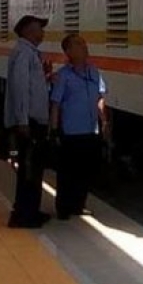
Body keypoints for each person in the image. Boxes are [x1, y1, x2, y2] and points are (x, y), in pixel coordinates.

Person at [49, 34, 108, 220]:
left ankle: (79, 205)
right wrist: (54, 130)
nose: (84, 46)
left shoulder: (94, 73)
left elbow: (100, 99)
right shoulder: (63, 76)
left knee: (85, 171)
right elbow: (56, 104)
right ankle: (64, 208)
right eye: (78, 44)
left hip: (90, 130)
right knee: (67, 173)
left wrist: (104, 121)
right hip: (71, 132)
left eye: (83, 43)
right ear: (68, 52)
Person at [3, 15, 52, 229]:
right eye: (39, 29)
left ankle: (30, 211)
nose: (42, 33)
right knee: (29, 169)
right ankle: (23, 215)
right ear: (29, 31)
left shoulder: (28, 53)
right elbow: (20, 89)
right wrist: (22, 121)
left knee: (33, 169)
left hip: (32, 121)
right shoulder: (24, 54)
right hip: (29, 123)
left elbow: (30, 86)